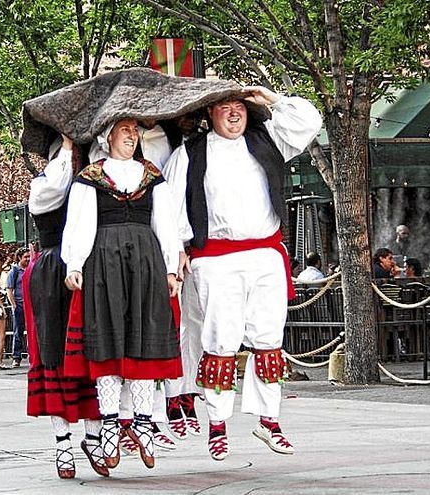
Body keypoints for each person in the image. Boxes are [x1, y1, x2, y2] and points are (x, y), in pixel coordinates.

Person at [164, 86, 323, 461]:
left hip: (265, 254)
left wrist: (272, 98)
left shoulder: (267, 141)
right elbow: (170, 208)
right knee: (221, 342)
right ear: (210, 114)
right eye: (224, 107)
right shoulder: (190, 154)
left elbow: (309, 121)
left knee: (269, 339)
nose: (234, 113)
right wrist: (178, 252)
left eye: (239, 106)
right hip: (216, 258)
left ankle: (269, 420)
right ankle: (217, 424)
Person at [61, 118, 183, 471]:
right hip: (105, 262)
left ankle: (144, 421)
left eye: (135, 130)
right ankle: (111, 424)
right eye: (125, 129)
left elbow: (167, 223)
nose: (132, 135)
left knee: (143, 336)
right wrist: (75, 264)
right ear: (107, 136)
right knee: (110, 340)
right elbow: (80, 223)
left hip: (145, 261)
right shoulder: (90, 178)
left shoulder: (152, 176)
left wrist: (171, 268)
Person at [24, 135, 107, 479]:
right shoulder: (42, 187)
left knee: (95, 354)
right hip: (53, 272)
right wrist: (68, 148)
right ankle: (62, 443)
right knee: (55, 354)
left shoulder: (96, 182)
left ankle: (93, 436)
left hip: (91, 268)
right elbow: (57, 185)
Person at [7, 248, 30, 367]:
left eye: (29, 256)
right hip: (20, 304)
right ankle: (17, 357)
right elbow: (9, 289)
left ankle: (32, 355)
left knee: (32, 330)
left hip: (30, 303)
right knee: (18, 331)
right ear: (19, 257)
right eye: (26, 257)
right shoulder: (14, 271)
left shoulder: (31, 269)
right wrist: (14, 305)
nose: (28, 259)